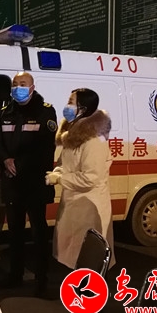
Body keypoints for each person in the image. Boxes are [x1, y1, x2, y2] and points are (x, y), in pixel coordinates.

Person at [0, 72, 57, 296]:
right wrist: (4, 159)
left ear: (32, 87)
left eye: (23, 84)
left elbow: (45, 147)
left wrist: (19, 163)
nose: (18, 88)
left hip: (34, 183)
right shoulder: (5, 112)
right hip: (12, 183)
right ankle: (15, 276)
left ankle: (41, 280)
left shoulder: (45, 111)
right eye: (15, 84)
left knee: (39, 233)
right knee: (15, 232)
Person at [45, 88, 115, 271]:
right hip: (73, 202)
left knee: (87, 258)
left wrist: (60, 179)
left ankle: (87, 286)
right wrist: (59, 171)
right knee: (72, 256)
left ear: (82, 109)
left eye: (71, 102)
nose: (67, 106)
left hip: (89, 206)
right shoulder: (73, 134)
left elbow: (90, 178)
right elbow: (68, 163)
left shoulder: (94, 139)